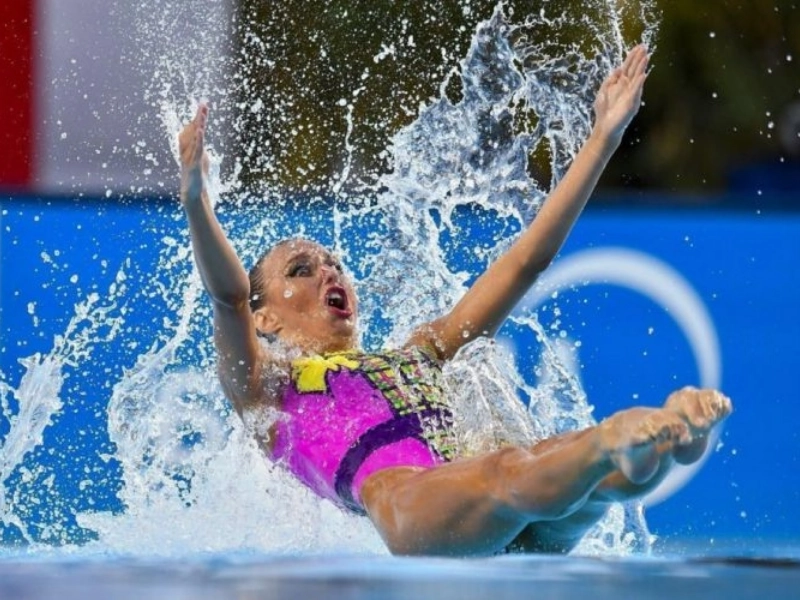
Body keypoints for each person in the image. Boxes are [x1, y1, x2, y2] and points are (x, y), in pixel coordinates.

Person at [177, 44, 731, 557]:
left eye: (334, 265)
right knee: (509, 469)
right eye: (302, 270)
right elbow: (227, 297)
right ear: (265, 317)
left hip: (497, 512)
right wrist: (197, 201)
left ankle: (668, 442)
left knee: (576, 479)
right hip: (414, 509)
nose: (327, 272)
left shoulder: (419, 354)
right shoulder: (268, 391)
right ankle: (621, 438)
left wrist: (602, 138)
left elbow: (525, 263)